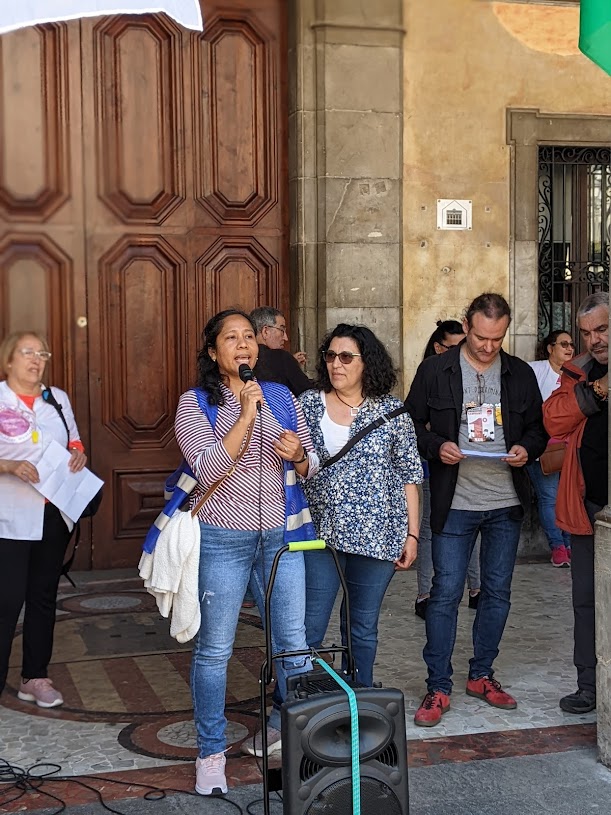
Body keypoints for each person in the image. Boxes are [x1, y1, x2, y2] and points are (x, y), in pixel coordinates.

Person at [174, 308, 318, 796]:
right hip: (222, 538)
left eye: (249, 337)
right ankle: (211, 752)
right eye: (230, 338)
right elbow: (209, 467)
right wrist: (246, 415)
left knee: (293, 645)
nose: (243, 345)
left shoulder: (280, 394)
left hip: (280, 536)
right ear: (214, 353)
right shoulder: (194, 403)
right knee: (216, 650)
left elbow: (310, 466)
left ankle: (297, 741)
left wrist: (298, 453)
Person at [405, 293, 547, 727]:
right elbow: (409, 424)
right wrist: (436, 446)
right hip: (455, 502)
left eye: (497, 339)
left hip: (505, 502)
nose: (488, 347)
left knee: (497, 594)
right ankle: (439, 686)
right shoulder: (436, 370)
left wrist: (527, 448)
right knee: (445, 594)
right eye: (481, 337)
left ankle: (482, 674)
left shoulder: (519, 374)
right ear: (467, 325)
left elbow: (540, 431)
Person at [298, 324, 423, 687]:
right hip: (320, 535)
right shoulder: (307, 404)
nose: (337, 364)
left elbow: (409, 476)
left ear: (367, 363)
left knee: (362, 627)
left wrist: (412, 535)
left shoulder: (392, 413)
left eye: (346, 357)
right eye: (331, 356)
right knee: (309, 628)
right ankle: (292, 710)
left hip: (378, 536)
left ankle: (360, 705)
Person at [0, 331, 87, 709]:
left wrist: (78, 455)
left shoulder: (57, 399)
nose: (36, 359)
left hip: (53, 513)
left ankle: (34, 677)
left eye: (42, 353)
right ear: (9, 360)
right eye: (27, 352)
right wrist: (8, 465)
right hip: (8, 518)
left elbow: (75, 441)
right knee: (6, 601)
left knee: (42, 598)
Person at [543, 292, 608, 715]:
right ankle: (590, 687)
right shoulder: (578, 371)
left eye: (601, 329)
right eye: (586, 333)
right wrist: (598, 391)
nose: (593, 340)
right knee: (585, 601)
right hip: (588, 506)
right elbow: (554, 418)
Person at [415, 320, 481, 620]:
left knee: (474, 525)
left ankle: (477, 588)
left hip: (475, 465)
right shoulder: (430, 371)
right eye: (455, 347)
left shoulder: (479, 371)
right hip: (436, 465)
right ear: (439, 347)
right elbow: (414, 421)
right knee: (431, 528)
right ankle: (426, 593)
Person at [528, 329, 575, 568]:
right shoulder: (535, 370)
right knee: (549, 498)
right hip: (544, 449)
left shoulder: (577, 373)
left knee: (568, 498)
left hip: (571, 448)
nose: (569, 349)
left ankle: (569, 544)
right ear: (550, 348)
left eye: (571, 345)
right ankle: (557, 546)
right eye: (563, 344)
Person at [251, 306, 311, 394]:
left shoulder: (244, 359)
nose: (286, 338)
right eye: (282, 330)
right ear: (265, 331)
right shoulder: (282, 358)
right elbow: (308, 393)